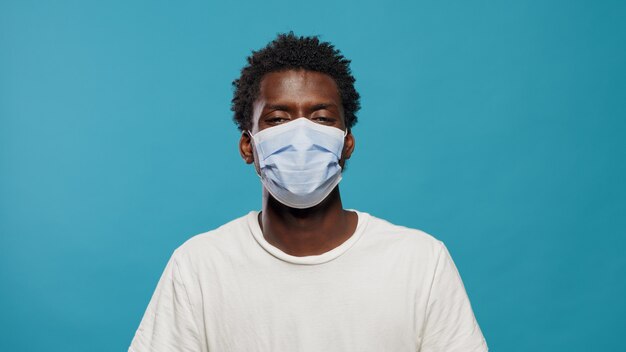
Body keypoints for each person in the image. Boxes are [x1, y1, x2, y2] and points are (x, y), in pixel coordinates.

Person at [129, 32, 488, 352]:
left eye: (321, 118)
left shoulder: (420, 262)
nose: (301, 135)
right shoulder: (199, 267)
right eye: (278, 119)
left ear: (346, 143)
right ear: (247, 146)